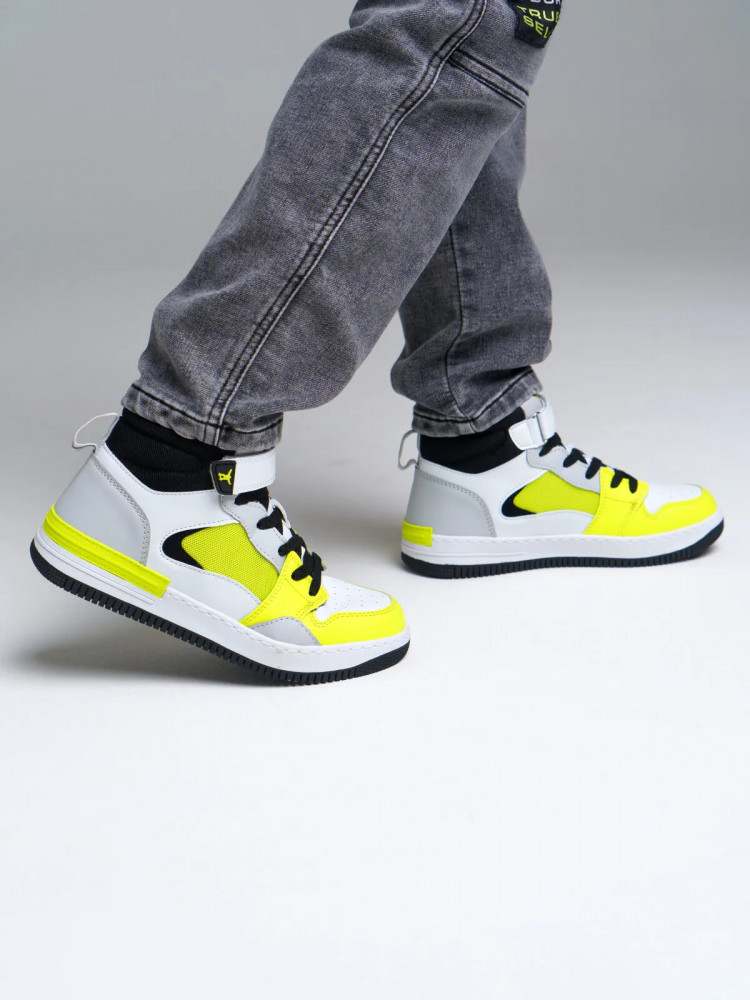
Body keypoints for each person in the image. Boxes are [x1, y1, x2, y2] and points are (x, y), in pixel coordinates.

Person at [30, 0, 722, 684]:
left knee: (475, 47)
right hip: (177, 467)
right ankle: (173, 461)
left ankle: (483, 445)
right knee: (463, 21)